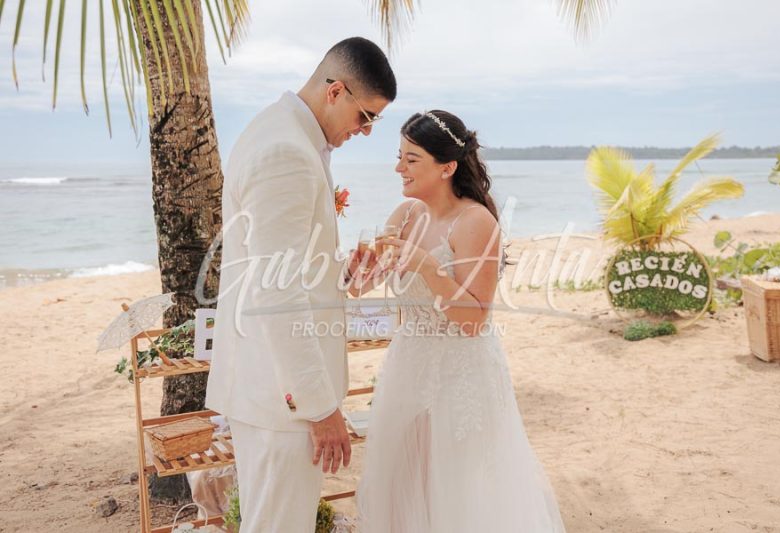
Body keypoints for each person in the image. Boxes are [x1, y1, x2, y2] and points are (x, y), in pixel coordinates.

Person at [205, 37, 396, 533]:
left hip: (268, 387)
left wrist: (341, 273)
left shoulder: (281, 134)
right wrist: (319, 405)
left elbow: (277, 269)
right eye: (366, 116)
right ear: (336, 91)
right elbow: (278, 296)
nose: (368, 130)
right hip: (280, 400)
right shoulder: (286, 152)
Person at [355, 110, 566, 532]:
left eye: (411, 159)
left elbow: (472, 320)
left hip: (461, 378)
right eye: (400, 156)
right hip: (407, 370)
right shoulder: (405, 216)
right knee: (400, 490)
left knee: (459, 497)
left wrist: (428, 268)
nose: (399, 168)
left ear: (447, 167)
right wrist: (359, 267)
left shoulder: (475, 222)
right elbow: (360, 286)